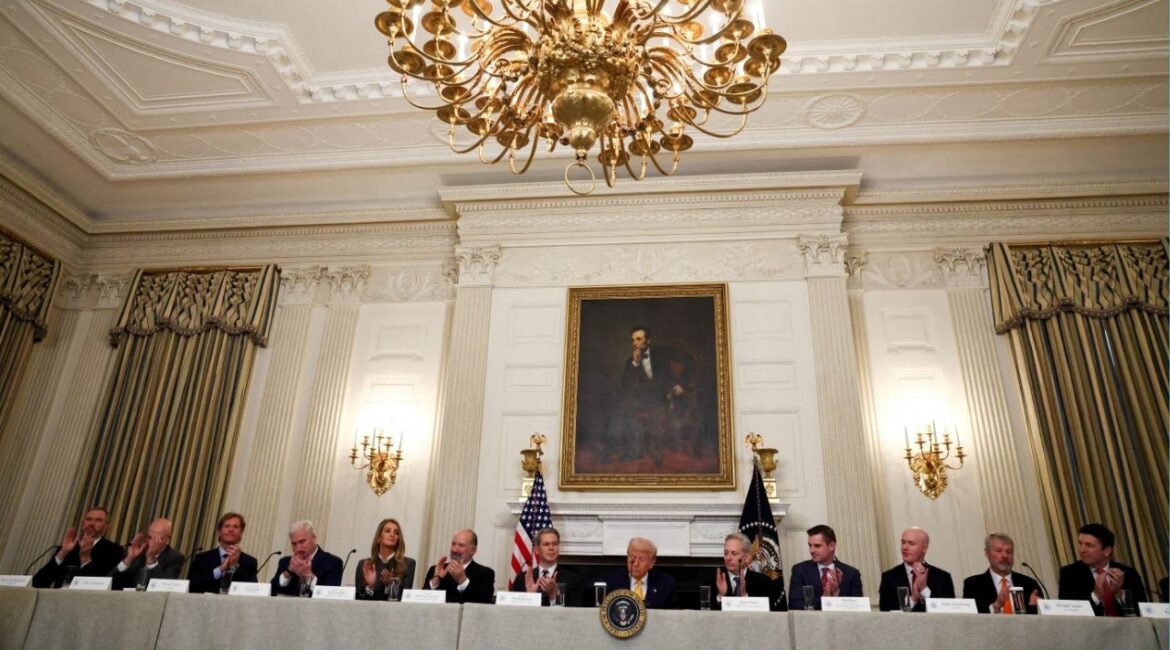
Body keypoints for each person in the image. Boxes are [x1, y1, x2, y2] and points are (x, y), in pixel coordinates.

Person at [605, 326, 698, 464]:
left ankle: (627, 448)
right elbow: (625, 387)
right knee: (624, 405)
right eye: (632, 340)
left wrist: (682, 384)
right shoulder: (630, 362)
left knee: (631, 407)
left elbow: (690, 361)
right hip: (644, 399)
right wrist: (635, 364)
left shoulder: (663, 352)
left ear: (648, 340)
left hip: (666, 396)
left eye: (638, 339)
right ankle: (627, 450)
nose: (634, 343)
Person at [1058, 523, 1147, 615]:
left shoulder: (1129, 573)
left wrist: (1118, 593)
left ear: (1107, 551)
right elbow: (1068, 613)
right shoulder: (1069, 574)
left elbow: (1142, 612)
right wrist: (1096, 596)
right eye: (1080, 543)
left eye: (1089, 545)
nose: (1082, 550)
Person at [32, 507, 124, 588]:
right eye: (88, 519)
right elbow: (38, 582)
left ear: (106, 526)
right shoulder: (68, 547)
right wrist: (62, 553)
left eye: (98, 520)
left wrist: (85, 559)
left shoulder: (115, 550)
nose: (92, 523)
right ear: (83, 523)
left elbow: (105, 585)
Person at [878, 527, 955, 611]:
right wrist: (913, 598)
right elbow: (887, 613)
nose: (905, 547)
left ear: (924, 549)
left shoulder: (942, 577)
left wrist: (924, 589)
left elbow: (948, 612)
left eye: (911, 543)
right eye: (903, 542)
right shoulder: (889, 578)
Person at [961, 533, 1041, 614]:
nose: (1005, 556)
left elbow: (1041, 617)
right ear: (987, 554)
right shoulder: (973, 584)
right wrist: (996, 606)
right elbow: (970, 617)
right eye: (998, 551)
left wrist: (1034, 607)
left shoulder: (1030, 584)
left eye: (1009, 551)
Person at [788, 524, 863, 610]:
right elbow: (794, 606)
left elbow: (858, 608)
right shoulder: (800, 570)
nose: (811, 550)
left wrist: (836, 592)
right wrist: (825, 597)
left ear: (832, 546)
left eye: (817, 546)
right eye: (810, 545)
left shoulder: (851, 574)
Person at [188, 512, 259, 594]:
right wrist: (220, 569)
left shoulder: (249, 562)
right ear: (219, 531)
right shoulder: (202, 559)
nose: (231, 530)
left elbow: (251, 590)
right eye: (227, 526)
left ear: (241, 533)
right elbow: (193, 586)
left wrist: (234, 566)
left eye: (235, 527)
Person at [109, 518, 185, 590]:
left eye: (156, 538)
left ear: (167, 540)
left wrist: (151, 560)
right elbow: (110, 582)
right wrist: (129, 559)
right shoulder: (138, 553)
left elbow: (165, 587)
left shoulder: (174, 557)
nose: (151, 541)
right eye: (150, 537)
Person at [270, 520, 343, 596]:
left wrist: (308, 575)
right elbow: (271, 590)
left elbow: (329, 595)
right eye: (294, 544)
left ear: (314, 538)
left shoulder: (333, 562)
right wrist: (288, 572)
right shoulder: (285, 562)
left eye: (302, 542)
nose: (298, 547)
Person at [510, 527, 580, 606]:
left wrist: (554, 597)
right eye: (546, 544)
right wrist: (531, 596)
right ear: (536, 550)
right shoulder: (522, 578)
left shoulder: (573, 579)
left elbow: (576, 612)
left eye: (555, 544)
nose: (551, 548)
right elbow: (513, 610)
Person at [422, 529, 495, 604]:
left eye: (461, 545)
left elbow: (483, 602)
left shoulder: (485, 573)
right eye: (453, 544)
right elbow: (422, 600)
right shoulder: (436, 569)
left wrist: (463, 581)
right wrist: (437, 579)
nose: (455, 550)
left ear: (472, 550)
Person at [602, 537, 676, 609]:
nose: (636, 564)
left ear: (652, 563)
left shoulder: (666, 583)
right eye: (632, 557)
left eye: (642, 559)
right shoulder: (610, 581)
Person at [355, 518, 417, 600]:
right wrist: (370, 586)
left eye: (396, 533)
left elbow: (406, 598)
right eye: (387, 531)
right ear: (379, 538)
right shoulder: (365, 564)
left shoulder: (408, 564)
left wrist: (391, 585)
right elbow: (358, 598)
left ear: (398, 539)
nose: (392, 535)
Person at [713, 533, 777, 610]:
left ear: (747, 558)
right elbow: (705, 612)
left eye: (734, 553)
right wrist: (721, 596)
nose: (728, 558)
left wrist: (744, 597)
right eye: (726, 553)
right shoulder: (713, 580)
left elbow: (768, 613)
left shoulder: (764, 582)